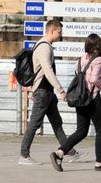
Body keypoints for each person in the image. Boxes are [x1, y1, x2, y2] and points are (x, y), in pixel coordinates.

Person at [50, 34, 101, 172]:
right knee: (100, 130)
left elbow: (78, 74)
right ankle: (100, 163)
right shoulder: (98, 60)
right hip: (92, 99)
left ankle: (60, 153)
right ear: (98, 46)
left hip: (80, 98)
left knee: (81, 131)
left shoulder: (81, 58)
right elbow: (94, 80)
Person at [18, 19, 82, 165]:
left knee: (57, 123)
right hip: (42, 91)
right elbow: (47, 70)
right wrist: (61, 90)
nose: (60, 35)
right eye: (59, 32)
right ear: (52, 31)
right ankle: (23, 155)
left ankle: (70, 152)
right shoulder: (44, 47)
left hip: (47, 92)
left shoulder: (45, 45)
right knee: (34, 124)